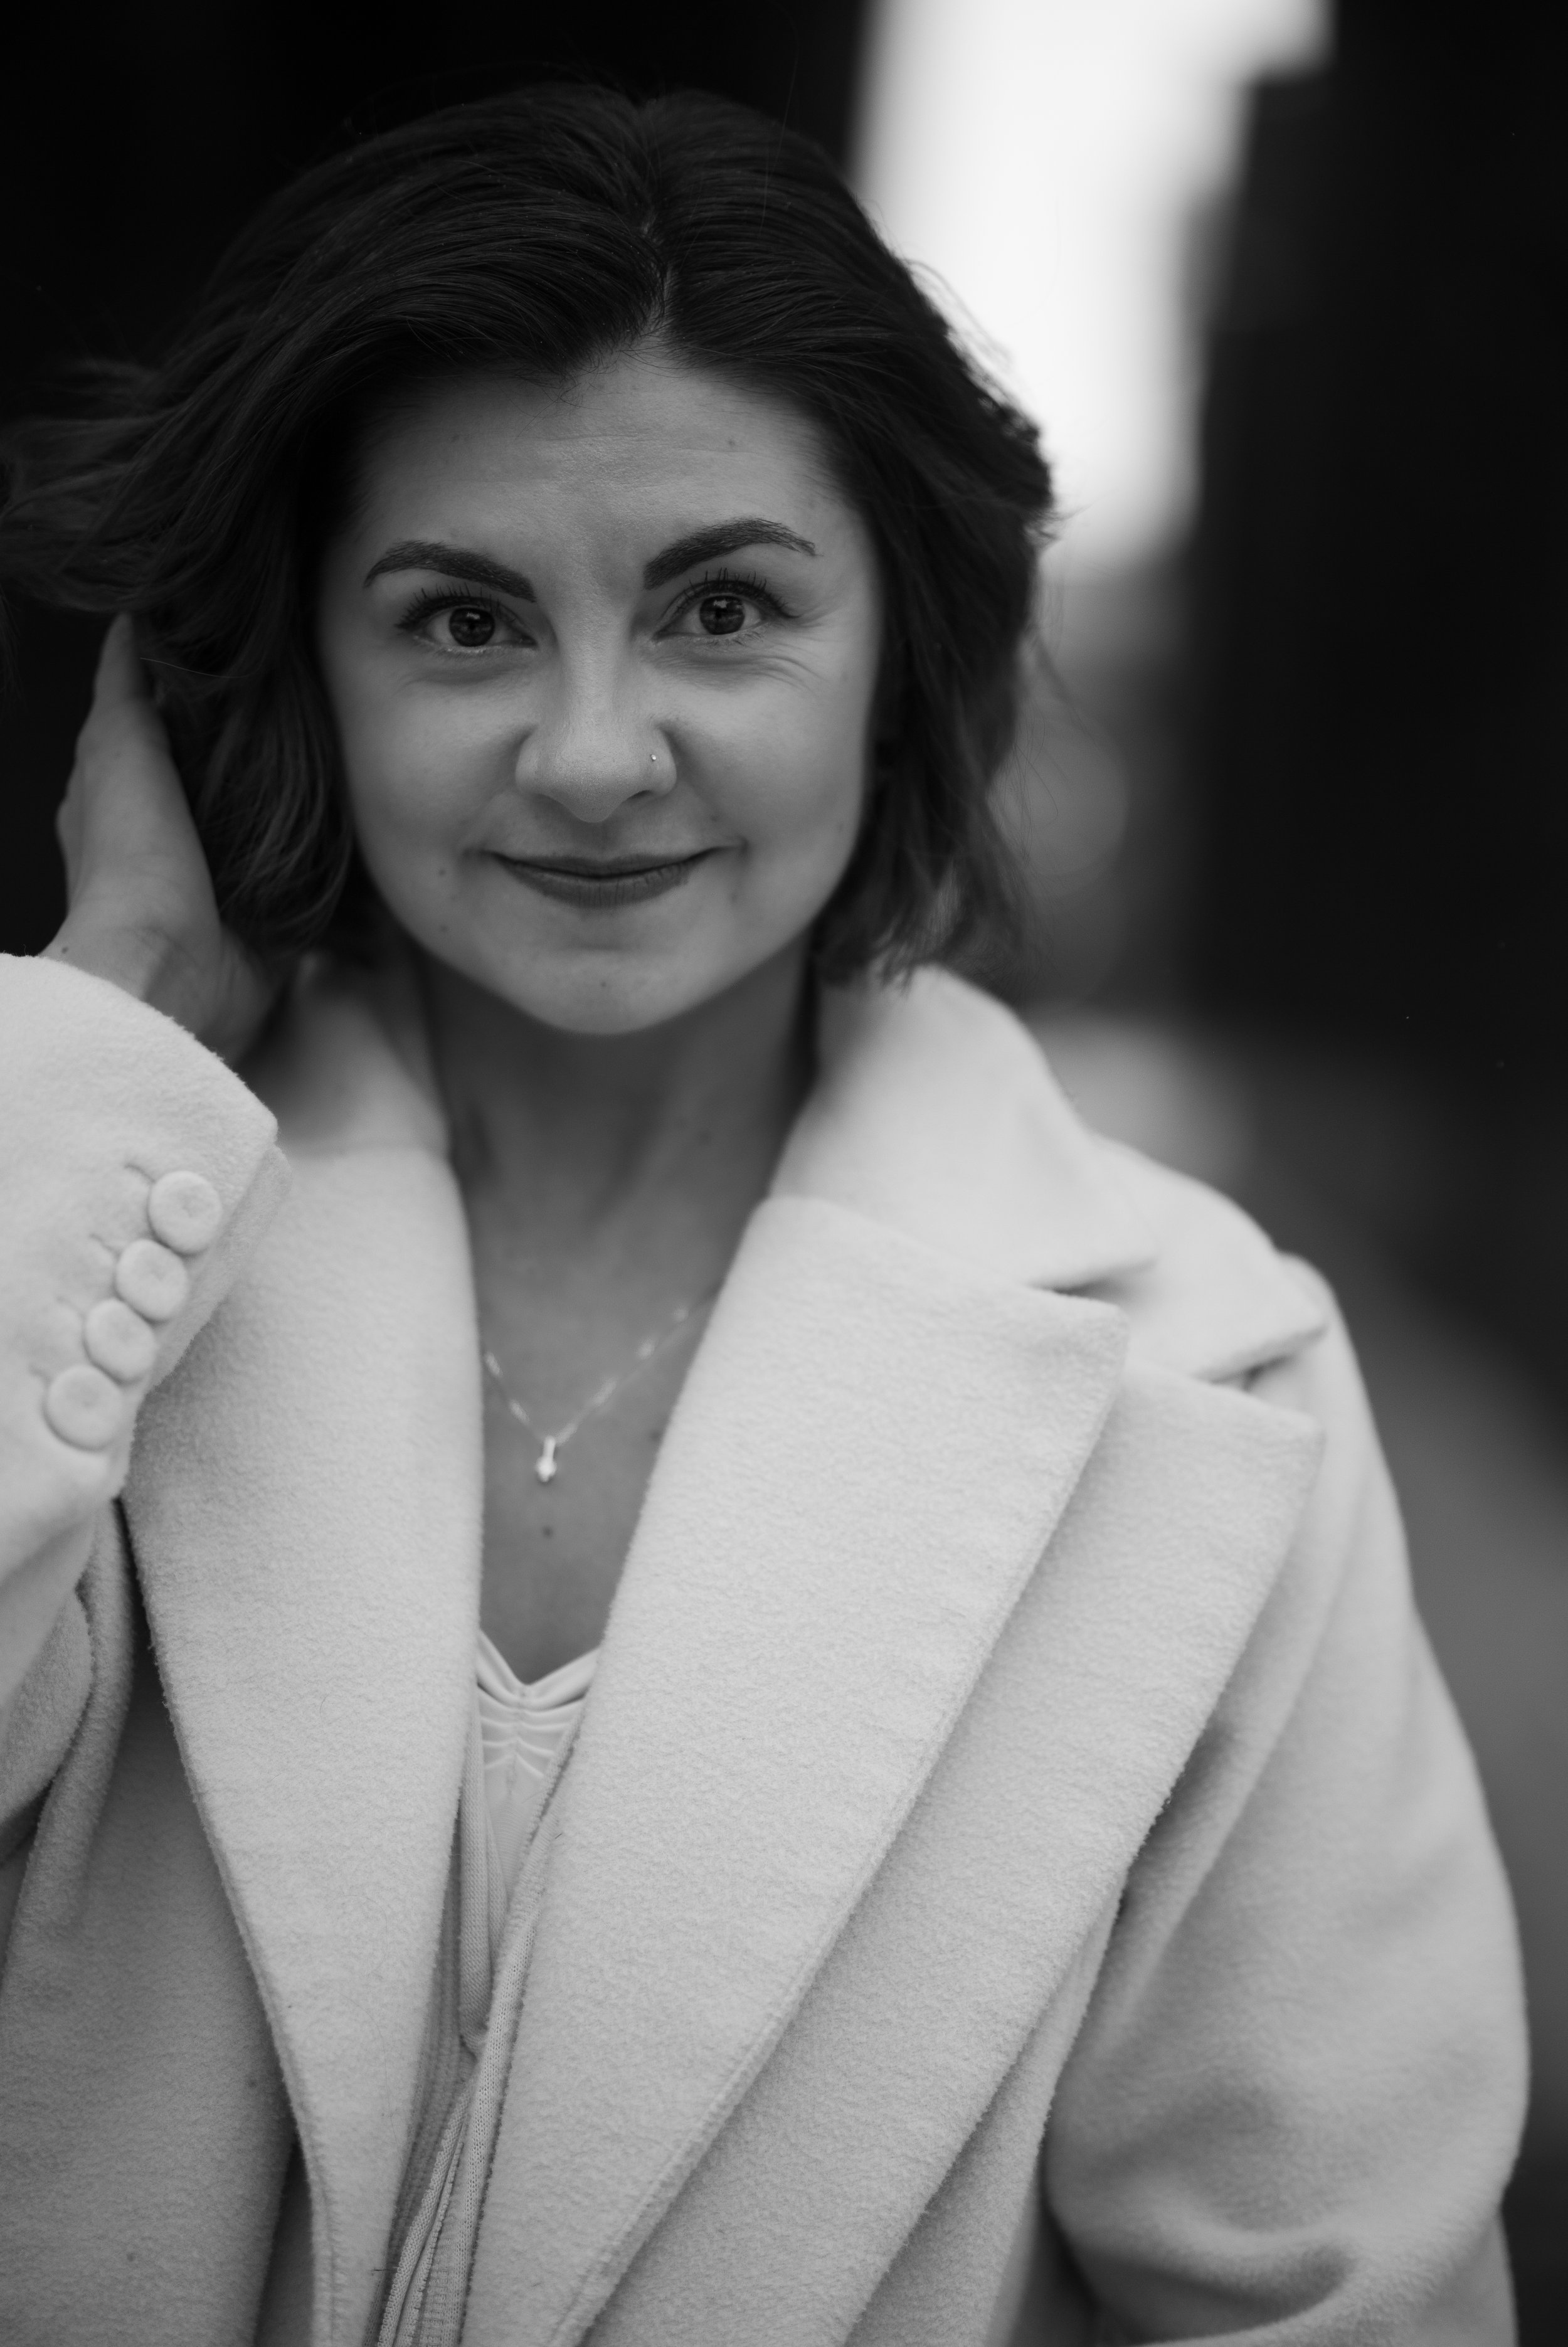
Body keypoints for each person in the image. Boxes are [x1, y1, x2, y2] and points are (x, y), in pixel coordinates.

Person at [0, 85, 1526, 2347]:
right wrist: (113, 992)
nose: (594, 755)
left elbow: (1341, 2290)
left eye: (721, 608)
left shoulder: (1213, 1376)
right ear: (293, 670)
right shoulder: (81, 1224)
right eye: (463, 622)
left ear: (903, 656)